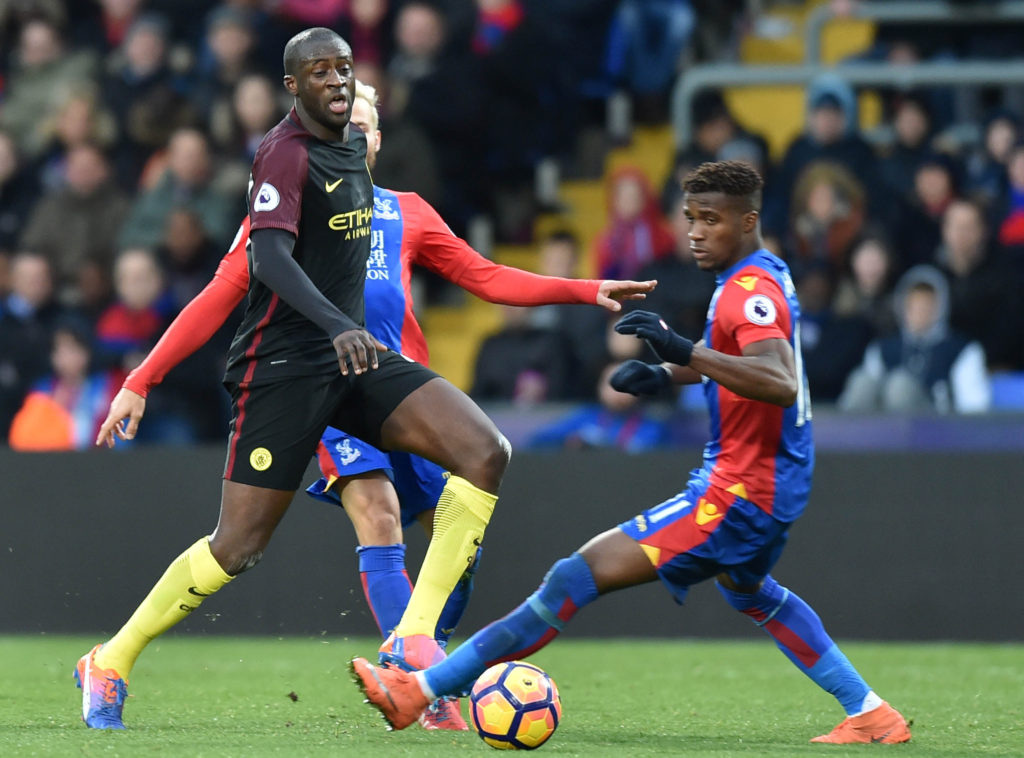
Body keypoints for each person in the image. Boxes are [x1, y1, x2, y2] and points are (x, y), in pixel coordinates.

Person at [78, 49, 654, 732]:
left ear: (376, 140)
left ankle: (414, 645)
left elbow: (487, 276)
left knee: (478, 474)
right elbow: (218, 296)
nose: (350, 124)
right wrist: (141, 379)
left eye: (363, 118)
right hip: (301, 388)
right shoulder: (285, 201)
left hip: (389, 389)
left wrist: (587, 290)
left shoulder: (406, 213)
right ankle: (113, 658)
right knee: (270, 538)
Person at [351, 161, 912, 746]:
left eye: (712, 221)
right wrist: (667, 373)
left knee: (572, 578)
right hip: (773, 484)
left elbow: (778, 379)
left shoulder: (749, 290)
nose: (695, 232)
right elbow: (746, 364)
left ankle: (418, 690)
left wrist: (684, 350)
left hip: (738, 494)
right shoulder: (762, 273)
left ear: (749, 221)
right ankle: (871, 714)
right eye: (691, 218)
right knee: (749, 590)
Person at [838, 265, 990, 414]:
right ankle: (845, 438)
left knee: (900, 387)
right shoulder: (883, 348)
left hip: (938, 431)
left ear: (941, 307)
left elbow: (974, 407)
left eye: (926, 305)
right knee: (862, 382)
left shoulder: (962, 350)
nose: (919, 312)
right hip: (883, 431)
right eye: (914, 305)